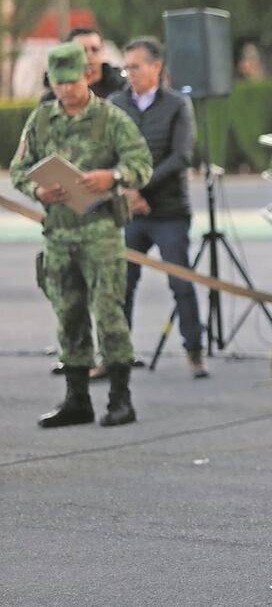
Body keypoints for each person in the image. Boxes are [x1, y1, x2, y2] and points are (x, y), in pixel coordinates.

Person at [10, 43, 152, 427]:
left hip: (100, 232)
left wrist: (114, 177)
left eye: (71, 82)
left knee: (108, 314)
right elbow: (19, 169)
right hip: (59, 233)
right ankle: (77, 400)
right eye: (58, 83)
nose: (65, 90)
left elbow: (141, 164)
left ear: (86, 77)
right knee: (68, 314)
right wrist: (38, 190)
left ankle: (120, 399)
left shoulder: (110, 118)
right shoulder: (41, 120)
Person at [108, 36, 207, 379]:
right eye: (126, 67)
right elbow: (107, 152)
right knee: (121, 283)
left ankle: (194, 350)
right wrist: (125, 189)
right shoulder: (116, 103)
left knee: (181, 282)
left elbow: (181, 156)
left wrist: (140, 186)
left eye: (135, 66)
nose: (129, 73)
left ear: (155, 67)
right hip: (130, 212)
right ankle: (117, 354)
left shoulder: (178, 105)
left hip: (169, 212)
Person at [41, 27, 127, 102]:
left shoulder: (121, 89)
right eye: (82, 50)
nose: (89, 55)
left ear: (102, 51)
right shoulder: (54, 97)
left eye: (95, 49)